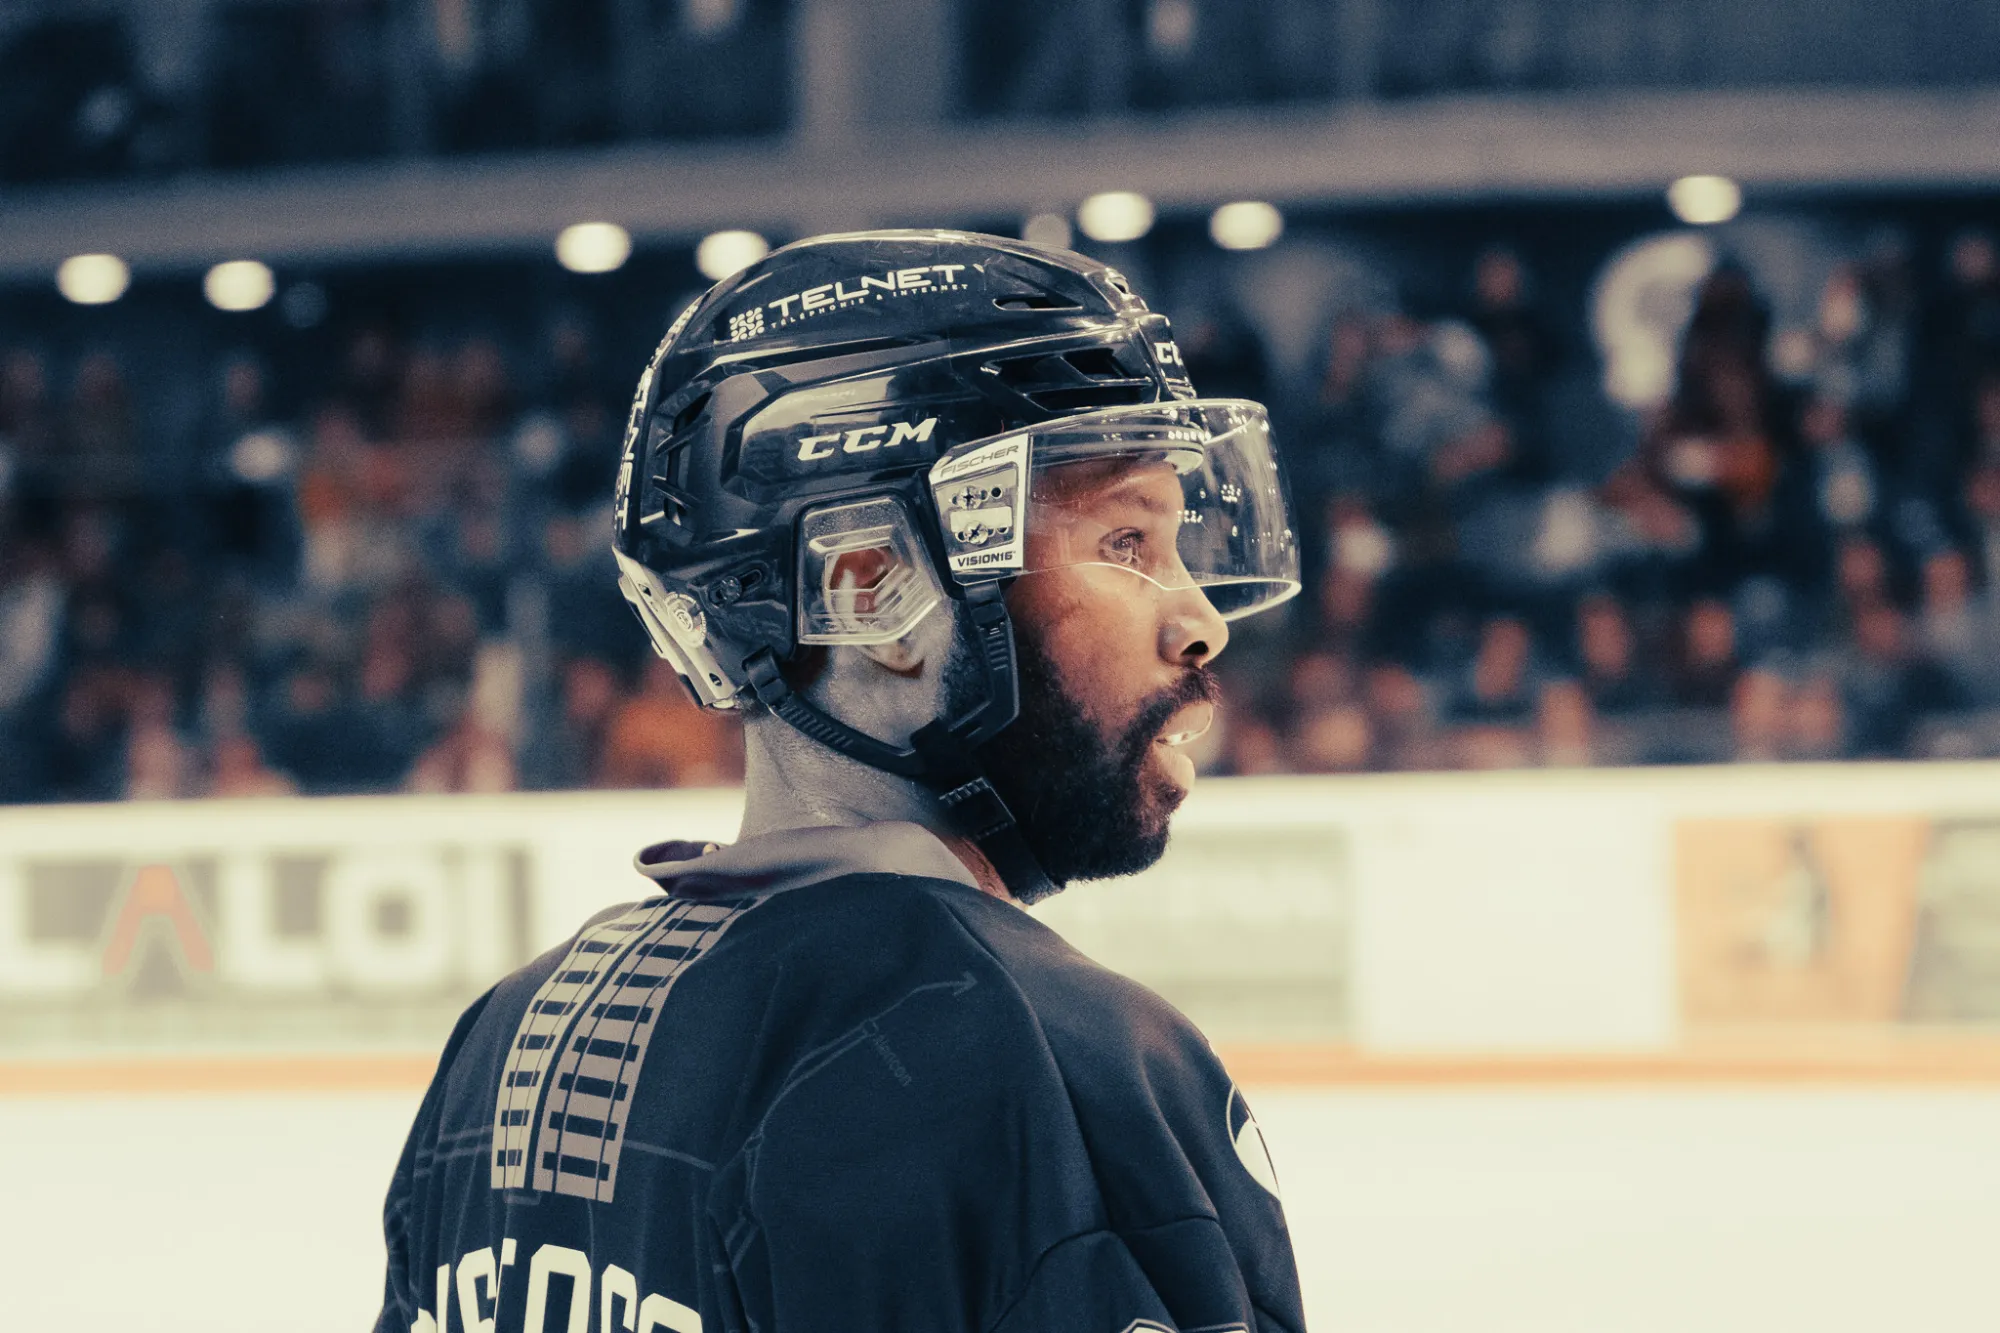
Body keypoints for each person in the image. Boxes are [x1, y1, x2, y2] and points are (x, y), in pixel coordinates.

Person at [374, 231, 1308, 1332]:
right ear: (874, 594)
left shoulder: (505, 1043)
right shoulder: (1052, 1062)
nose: (1200, 620)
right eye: (1125, 543)